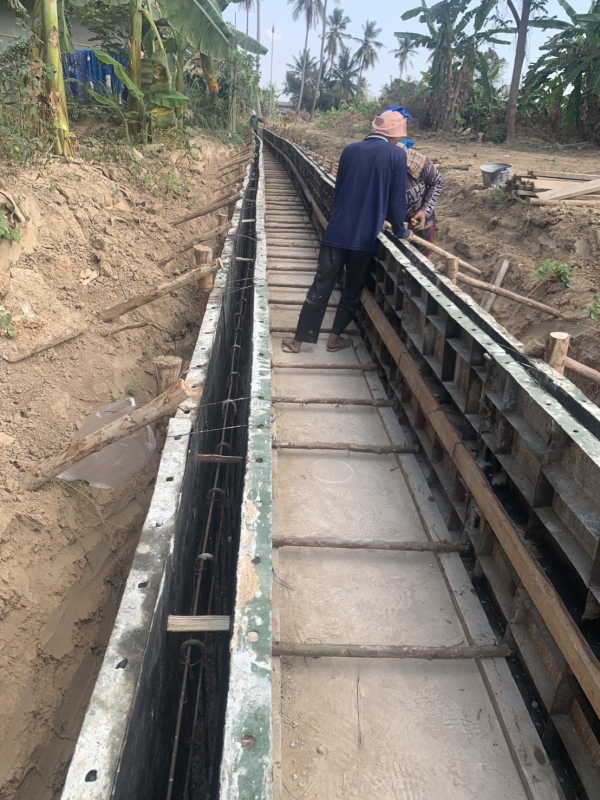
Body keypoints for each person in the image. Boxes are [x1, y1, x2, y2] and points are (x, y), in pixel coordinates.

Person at [282, 111, 413, 354]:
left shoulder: (350, 150)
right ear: (395, 134)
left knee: (321, 285)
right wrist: (400, 231)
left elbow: (339, 190)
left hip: (338, 232)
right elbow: (396, 202)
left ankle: (298, 341)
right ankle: (334, 339)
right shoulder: (397, 155)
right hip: (365, 237)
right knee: (352, 289)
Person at [380, 106, 443, 246]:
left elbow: (437, 181)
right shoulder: (376, 162)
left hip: (418, 224)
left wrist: (424, 211)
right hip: (387, 226)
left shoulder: (416, 161)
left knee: (418, 258)